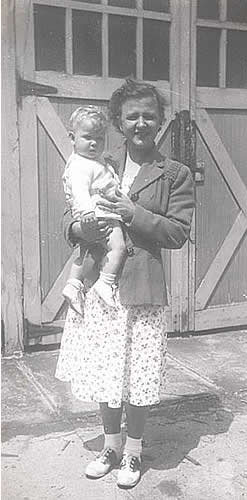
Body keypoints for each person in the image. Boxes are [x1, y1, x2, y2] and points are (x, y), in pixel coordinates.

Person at [56, 79, 195, 489]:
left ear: (161, 121)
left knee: (138, 373)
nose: (141, 123)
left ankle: (133, 452)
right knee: (105, 372)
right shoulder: (97, 159)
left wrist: (134, 213)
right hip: (102, 285)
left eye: (149, 115)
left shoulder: (175, 173)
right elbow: (69, 215)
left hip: (144, 289)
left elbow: (177, 233)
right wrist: (82, 225)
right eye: (131, 115)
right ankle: (111, 446)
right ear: (118, 121)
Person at [62, 106, 127, 313]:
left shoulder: (94, 161)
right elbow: (79, 190)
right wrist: (87, 213)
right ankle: (105, 282)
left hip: (95, 213)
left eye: (99, 139)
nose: (94, 143)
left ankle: (73, 284)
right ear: (72, 138)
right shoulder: (82, 165)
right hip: (100, 214)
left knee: (87, 251)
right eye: (87, 137)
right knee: (118, 248)